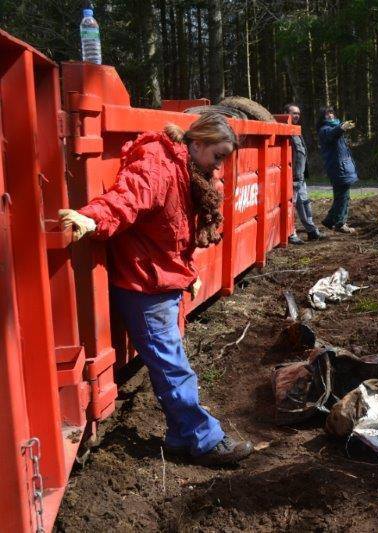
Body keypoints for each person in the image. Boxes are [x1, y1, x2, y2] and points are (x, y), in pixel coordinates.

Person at [58, 113, 254, 465]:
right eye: (218, 156)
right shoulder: (159, 166)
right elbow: (126, 199)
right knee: (173, 366)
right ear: (196, 145)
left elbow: (174, 234)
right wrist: (92, 219)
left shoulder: (185, 170)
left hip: (160, 278)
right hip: (145, 284)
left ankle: (180, 437)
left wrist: (185, 271)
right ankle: (205, 439)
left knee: (171, 362)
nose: (220, 166)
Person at [285, 103, 324, 244]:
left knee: (305, 204)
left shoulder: (296, 130)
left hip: (300, 178)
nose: (296, 116)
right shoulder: (284, 132)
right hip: (291, 178)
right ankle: (291, 234)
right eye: (293, 113)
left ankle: (312, 231)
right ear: (286, 114)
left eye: (298, 113)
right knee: (291, 207)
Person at [316, 105, 358, 234]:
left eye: (331, 113)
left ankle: (330, 220)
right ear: (322, 117)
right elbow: (331, 134)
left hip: (342, 167)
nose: (330, 115)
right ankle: (340, 223)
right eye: (327, 114)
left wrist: (341, 128)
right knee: (343, 197)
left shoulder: (334, 128)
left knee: (342, 196)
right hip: (338, 168)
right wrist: (341, 128)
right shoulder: (325, 129)